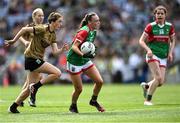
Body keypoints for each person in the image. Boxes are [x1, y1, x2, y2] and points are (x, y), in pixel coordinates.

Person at [5, 11, 69, 113]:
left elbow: (55, 52)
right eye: (59, 22)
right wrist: (13, 41)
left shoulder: (53, 35)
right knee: (57, 73)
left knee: (27, 89)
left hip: (36, 59)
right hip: (32, 58)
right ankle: (35, 86)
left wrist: (62, 49)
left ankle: (13, 107)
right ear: (53, 22)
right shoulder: (42, 28)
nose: (61, 24)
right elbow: (24, 29)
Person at [66, 12, 105, 113]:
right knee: (79, 89)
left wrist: (92, 52)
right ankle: (73, 106)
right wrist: (83, 54)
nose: (98, 22)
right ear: (89, 22)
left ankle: (93, 100)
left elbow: (87, 46)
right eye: (96, 21)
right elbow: (74, 47)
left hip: (84, 60)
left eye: (99, 20)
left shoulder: (94, 31)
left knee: (99, 81)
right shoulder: (84, 31)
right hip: (74, 61)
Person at [139, 5, 176, 106]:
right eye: (158, 13)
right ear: (155, 15)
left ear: (165, 15)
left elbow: (173, 41)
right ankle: (147, 100)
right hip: (153, 55)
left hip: (163, 56)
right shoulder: (150, 26)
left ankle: (146, 86)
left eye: (162, 13)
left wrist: (170, 52)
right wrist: (148, 50)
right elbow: (141, 41)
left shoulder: (169, 26)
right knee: (158, 77)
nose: (159, 15)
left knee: (160, 82)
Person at [19, 8, 44, 107]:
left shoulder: (43, 27)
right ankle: (31, 98)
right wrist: (25, 42)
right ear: (34, 17)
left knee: (30, 80)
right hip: (32, 56)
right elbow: (20, 34)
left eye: (42, 15)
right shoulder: (29, 27)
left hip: (39, 55)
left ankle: (20, 100)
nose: (41, 17)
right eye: (39, 15)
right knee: (36, 79)